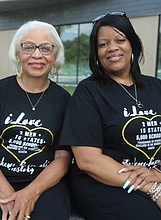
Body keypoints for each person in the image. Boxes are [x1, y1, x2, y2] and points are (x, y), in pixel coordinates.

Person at [59, 11, 161, 219]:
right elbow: (89, 161)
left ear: (132, 44)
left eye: (120, 40)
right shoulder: (88, 92)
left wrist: (158, 175)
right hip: (102, 181)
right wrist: (152, 188)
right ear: (96, 53)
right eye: (102, 44)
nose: (112, 48)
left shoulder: (156, 87)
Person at [0, 20, 72, 220]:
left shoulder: (64, 100)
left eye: (45, 48)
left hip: (44, 183)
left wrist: (31, 192)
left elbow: (63, 157)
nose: (37, 54)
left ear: (54, 55)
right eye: (28, 47)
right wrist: (9, 196)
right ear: (18, 53)